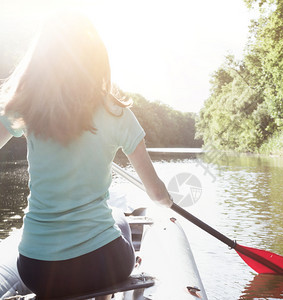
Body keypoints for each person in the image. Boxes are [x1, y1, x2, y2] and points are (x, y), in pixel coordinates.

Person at [0, 11, 173, 299]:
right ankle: (102, 295)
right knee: (119, 219)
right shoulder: (118, 113)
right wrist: (166, 199)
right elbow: (155, 194)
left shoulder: (25, 107)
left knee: (108, 226)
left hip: (36, 269)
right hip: (100, 265)